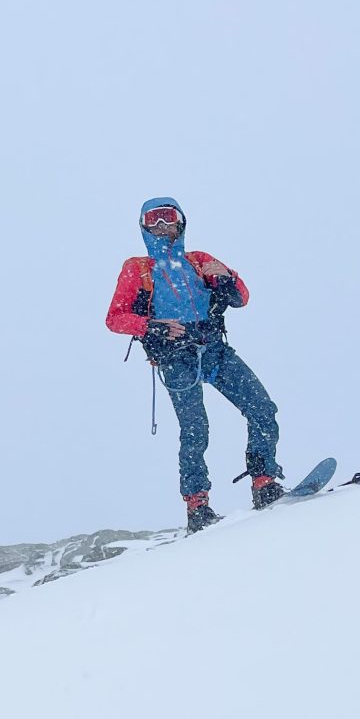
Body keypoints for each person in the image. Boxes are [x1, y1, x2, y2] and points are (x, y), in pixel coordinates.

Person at [105, 196, 286, 532]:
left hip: (215, 350)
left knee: (262, 408)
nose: (161, 226)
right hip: (176, 358)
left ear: (180, 221)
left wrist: (229, 275)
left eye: (167, 218)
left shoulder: (199, 260)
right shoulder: (137, 268)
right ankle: (197, 507)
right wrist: (152, 327)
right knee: (195, 430)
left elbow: (241, 297)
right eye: (153, 221)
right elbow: (115, 318)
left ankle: (265, 483)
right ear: (143, 227)